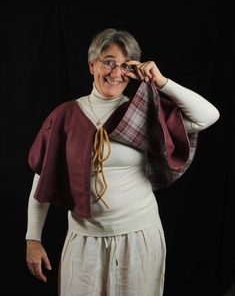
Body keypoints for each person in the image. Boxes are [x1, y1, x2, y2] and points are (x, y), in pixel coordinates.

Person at [25, 28, 220, 296]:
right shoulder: (65, 116)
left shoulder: (142, 113)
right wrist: (32, 238)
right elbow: (42, 179)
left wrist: (161, 81)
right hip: (85, 240)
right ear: (92, 64)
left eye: (125, 66)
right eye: (108, 62)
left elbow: (207, 116)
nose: (116, 73)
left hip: (139, 237)